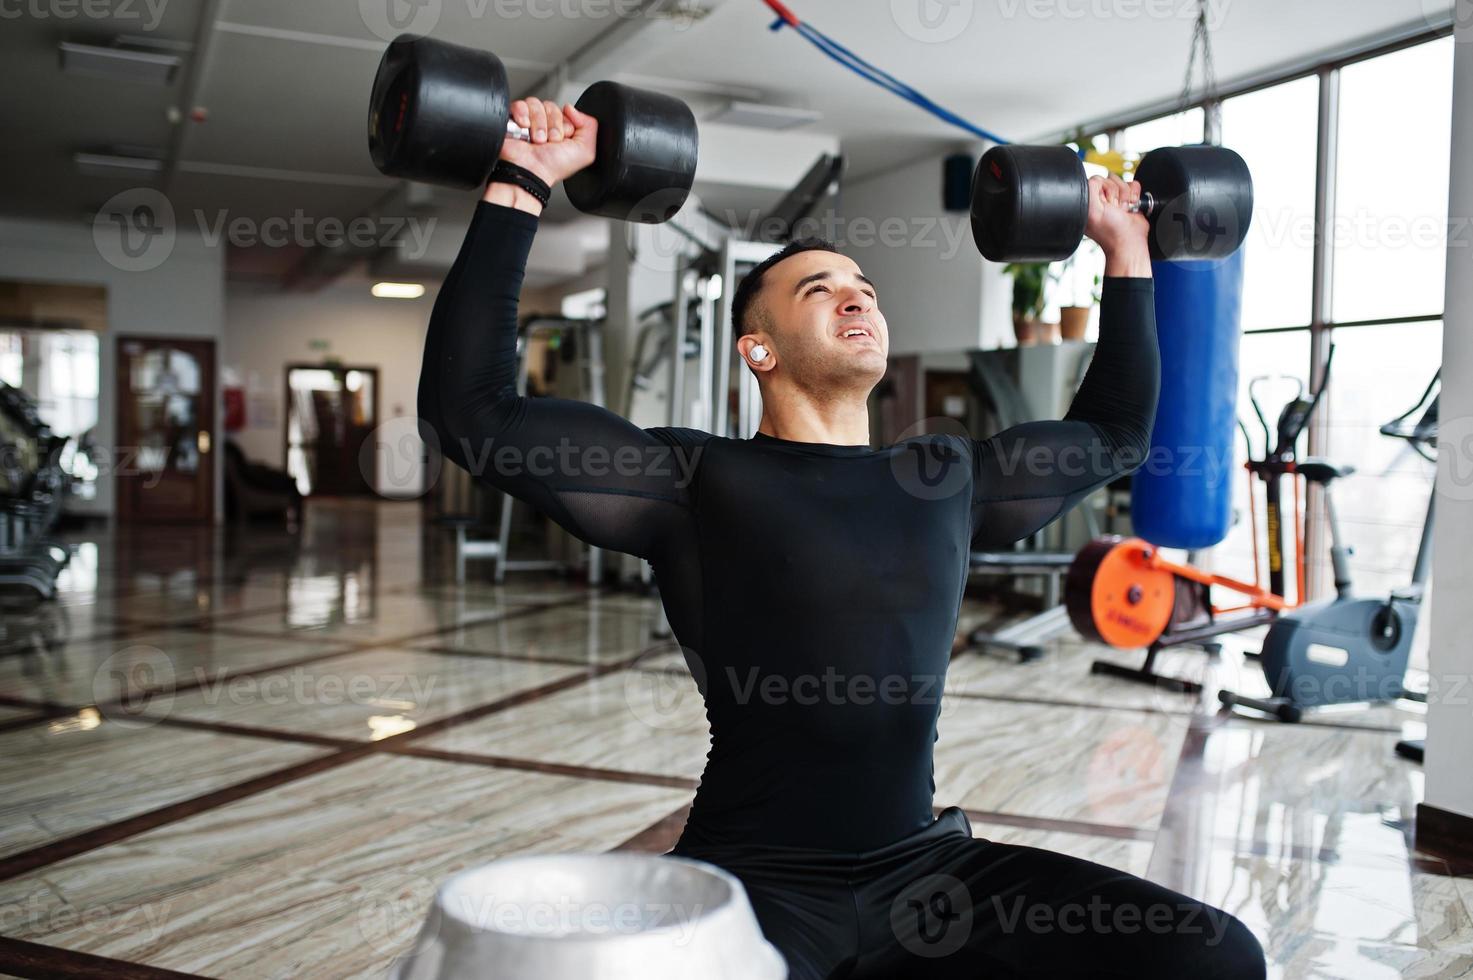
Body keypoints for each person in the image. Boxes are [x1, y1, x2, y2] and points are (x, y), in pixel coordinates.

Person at [418, 97, 1267, 980]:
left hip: (927, 875)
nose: (854, 298)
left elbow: (1116, 433)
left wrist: (1125, 248)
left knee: (1211, 958)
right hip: (755, 886)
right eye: (818, 290)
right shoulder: (691, 483)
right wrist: (524, 175)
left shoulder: (947, 477)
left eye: (862, 287)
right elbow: (470, 416)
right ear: (758, 350)